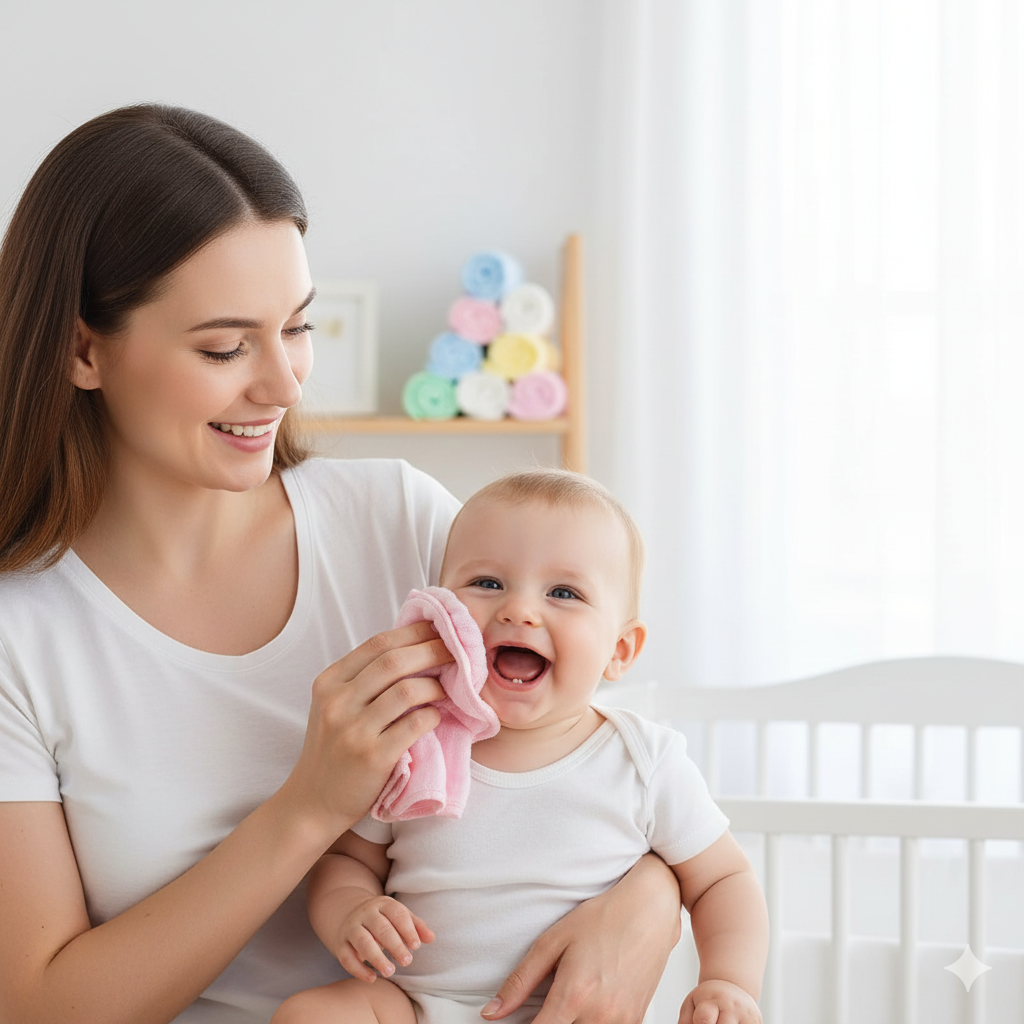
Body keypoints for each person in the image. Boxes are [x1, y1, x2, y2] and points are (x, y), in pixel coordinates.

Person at [0, 106, 687, 1024]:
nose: (285, 384)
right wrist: (309, 807)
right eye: (224, 346)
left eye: (297, 327)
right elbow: (42, 1005)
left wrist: (648, 901)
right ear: (84, 349)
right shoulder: (22, 636)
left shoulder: (397, 522)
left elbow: (617, 762)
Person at [272, 470, 770, 1024]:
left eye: (564, 593)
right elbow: (346, 859)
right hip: (414, 1005)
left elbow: (724, 879)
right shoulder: (418, 741)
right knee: (309, 1014)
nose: (518, 610)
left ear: (621, 650)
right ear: (442, 612)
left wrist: (729, 981)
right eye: (487, 583)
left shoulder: (641, 759)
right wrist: (351, 909)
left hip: (569, 1010)